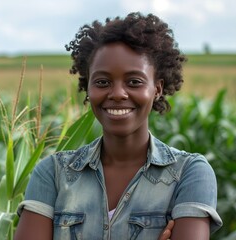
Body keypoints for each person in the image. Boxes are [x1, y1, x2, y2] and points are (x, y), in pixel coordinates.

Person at [15, 12, 223, 239]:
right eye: (102, 82)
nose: (117, 94)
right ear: (88, 88)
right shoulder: (52, 174)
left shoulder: (190, 174)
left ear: (157, 89)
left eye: (134, 82)